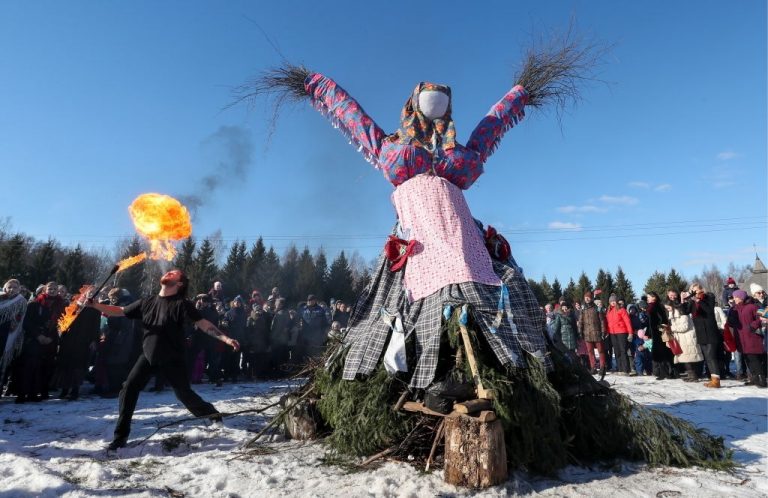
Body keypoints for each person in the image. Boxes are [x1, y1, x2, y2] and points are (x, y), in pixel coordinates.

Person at [87, 269, 240, 450]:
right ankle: (120, 437)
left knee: (184, 394)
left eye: (174, 273)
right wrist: (96, 305)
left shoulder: (182, 304)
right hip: (148, 355)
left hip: (172, 357)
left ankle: (213, 415)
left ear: (180, 283)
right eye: (169, 271)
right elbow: (120, 311)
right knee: (128, 389)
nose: (169, 272)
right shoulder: (148, 301)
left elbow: (203, 324)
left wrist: (226, 339)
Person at [680, 283, 723, 388]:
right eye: (692, 291)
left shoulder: (709, 297)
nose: (695, 293)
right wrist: (683, 300)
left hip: (710, 331)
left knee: (712, 356)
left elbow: (708, 311)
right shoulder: (692, 301)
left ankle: (716, 380)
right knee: (707, 358)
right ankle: (713, 379)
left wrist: (698, 300)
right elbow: (685, 311)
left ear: (700, 289)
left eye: (696, 290)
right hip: (700, 333)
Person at [728, 290, 766, 387]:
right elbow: (731, 322)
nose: (734, 299)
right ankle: (753, 378)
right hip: (740, 337)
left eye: (736, 297)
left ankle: (762, 380)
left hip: (752, 337)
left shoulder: (753, 306)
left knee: (754, 359)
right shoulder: (734, 309)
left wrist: (752, 326)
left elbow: (760, 318)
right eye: (734, 297)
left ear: (741, 297)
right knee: (747, 359)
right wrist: (731, 313)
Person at [665, 302, 703, 382]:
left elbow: (684, 327)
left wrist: (671, 328)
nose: (668, 310)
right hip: (681, 339)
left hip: (687, 339)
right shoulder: (673, 315)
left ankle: (694, 376)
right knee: (685, 358)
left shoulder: (682, 313)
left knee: (688, 358)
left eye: (668, 308)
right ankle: (691, 375)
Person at [646, 291, 674, 380]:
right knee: (661, 353)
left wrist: (659, 327)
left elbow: (661, 319)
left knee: (661, 353)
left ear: (654, 297)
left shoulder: (656, 306)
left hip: (659, 332)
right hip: (655, 332)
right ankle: (666, 372)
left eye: (649, 297)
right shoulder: (652, 306)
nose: (647, 298)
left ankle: (665, 373)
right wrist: (648, 333)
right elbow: (649, 322)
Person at [578, 291, 606, 375]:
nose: (587, 299)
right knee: (590, 352)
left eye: (588, 297)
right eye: (585, 297)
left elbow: (602, 321)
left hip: (597, 332)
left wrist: (603, 331)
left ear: (591, 298)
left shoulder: (597, 308)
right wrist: (580, 331)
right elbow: (580, 321)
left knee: (601, 351)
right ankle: (593, 367)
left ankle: (602, 367)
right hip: (587, 333)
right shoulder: (583, 309)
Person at [605, 294, 633, 375]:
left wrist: (630, 333)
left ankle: (625, 369)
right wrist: (607, 331)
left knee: (623, 350)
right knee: (616, 351)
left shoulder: (621, 309)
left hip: (621, 332)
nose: (613, 303)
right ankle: (620, 368)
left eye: (614, 301)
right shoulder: (608, 311)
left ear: (616, 301)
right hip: (612, 333)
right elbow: (607, 323)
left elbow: (628, 322)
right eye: (611, 301)